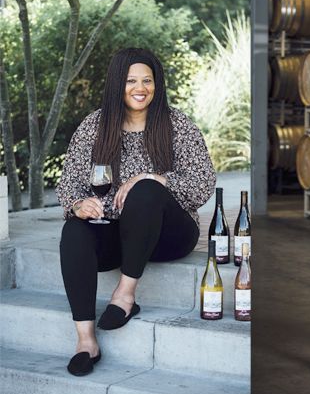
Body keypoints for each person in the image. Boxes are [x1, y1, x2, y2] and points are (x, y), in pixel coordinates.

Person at [56, 48, 216, 376]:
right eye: (131, 80)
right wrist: (78, 205)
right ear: (118, 84)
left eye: (147, 80)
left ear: (157, 85)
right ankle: (86, 340)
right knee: (73, 229)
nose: (140, 87)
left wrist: (154, 178)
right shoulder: (95, 126)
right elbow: (68, 184)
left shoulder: (176, 123)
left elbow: (203, 183)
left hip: (170, 234)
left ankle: (125, 294)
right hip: (118, 234)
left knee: (144, 189)